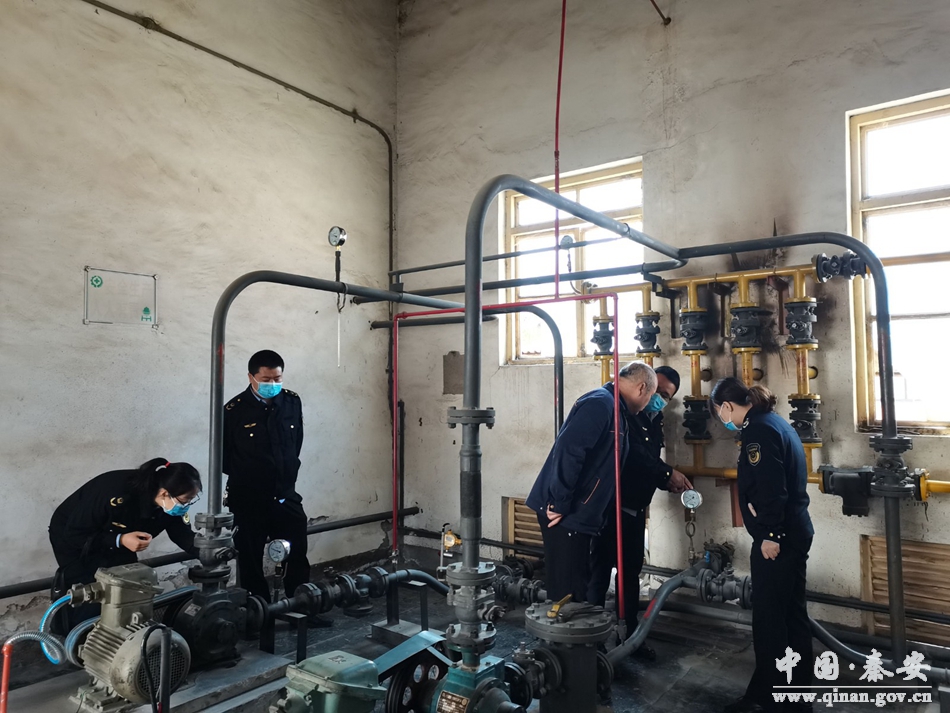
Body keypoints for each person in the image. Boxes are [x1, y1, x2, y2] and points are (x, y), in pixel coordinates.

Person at [711, 377, 814, 713]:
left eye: (720, 413)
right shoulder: (774, 422)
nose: (723, 421)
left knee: (770, 623)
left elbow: (772, 486)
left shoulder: (757, 431)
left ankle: (772, 702)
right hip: (794, 531)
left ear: (728, 406)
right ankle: (790, 699)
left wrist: (771, 534)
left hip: (778, 540)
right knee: (792, 618)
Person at [525, 361, 657, 604]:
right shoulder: (601, 404)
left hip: (578, 514)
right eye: (651, 396)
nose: (649, 403)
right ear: (641, 388)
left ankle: (574, 628)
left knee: (578, 587)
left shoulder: (616, 410)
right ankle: (563, 629)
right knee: (568, 594)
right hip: (565, 514)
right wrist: (560, 502)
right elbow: (570, 450)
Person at [588, 365, 693, 643]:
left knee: (630, 572)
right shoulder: (621, 412)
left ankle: (630, 634)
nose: (658, 398)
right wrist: (667, 474)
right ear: (645, 386)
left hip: (635, 509)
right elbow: (632, 455)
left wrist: (665, 480)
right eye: (657, 391)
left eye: (666, 396)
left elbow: (649, 460)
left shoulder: (654, 419)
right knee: (599, 571)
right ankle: (589, 636)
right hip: (610, 507)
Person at [48, 458, 202, 632]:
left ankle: (120, 635)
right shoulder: (117, 492)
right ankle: (78, 639)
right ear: (165, 493)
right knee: (91, 593)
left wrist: (207, 551)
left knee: (127, 585)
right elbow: (75, 534)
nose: (186, 505)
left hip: (120, 540)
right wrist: (120, 540)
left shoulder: (168, 505)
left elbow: (182, 534)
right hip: (75, 538)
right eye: (185, 500)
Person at [223, 350, 321, 619]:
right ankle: (259, 615)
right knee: (250, 558)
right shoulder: (234, 410)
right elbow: (225, 458)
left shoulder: (291, 401)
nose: (273, 384)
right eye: (266, 379)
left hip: (285, 493)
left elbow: (296, 443)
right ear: (251, 377)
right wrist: (255, 474)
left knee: (297, 551)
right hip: (249, 498)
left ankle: (301, 608)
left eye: (277, 378)